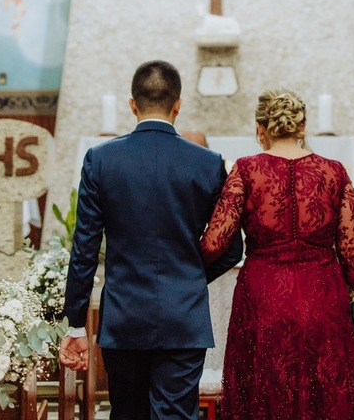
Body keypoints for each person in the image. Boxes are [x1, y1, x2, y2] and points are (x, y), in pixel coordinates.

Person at [60, 60, 243, 420]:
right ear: (178, 105)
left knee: (127, 413)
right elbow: (231, 247)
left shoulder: (100, 160)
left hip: (124, 315)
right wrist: (189, 277)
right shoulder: (208, 163)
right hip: (184, 317)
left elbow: (84, 250)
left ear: (133, 105)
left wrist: (76, 323)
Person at [199, 89, 354, 420]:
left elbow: (215, 242)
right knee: (325, 392)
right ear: (302, 126)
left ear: (260, 127)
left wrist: (181, 264)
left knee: (265, 391)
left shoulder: (246, 170)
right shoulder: (335, 172)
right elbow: (351, 250)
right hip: (322, 296)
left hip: (263, 298)